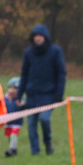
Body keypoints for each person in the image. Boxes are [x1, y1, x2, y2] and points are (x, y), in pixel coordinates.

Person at [17, 23, 66, 155]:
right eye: (35, 36)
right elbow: (24, 74)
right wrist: (19, 95)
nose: (37, 38)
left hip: (48, 95)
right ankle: (35, 151)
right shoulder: (28, 53)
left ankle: (48, 142)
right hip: (32, 94)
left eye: (40, 36)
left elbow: (61, 74)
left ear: (45, 37)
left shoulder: (55, 51)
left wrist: (58, 95)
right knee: (31, 124)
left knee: (44, 119)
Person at [3, 77, 23, 157]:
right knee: (9, 135)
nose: (12, 90)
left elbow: (24, 106)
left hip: (16, 122)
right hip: (7, 122)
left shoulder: (20, 99)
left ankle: (12, 149)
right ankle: (13, 149)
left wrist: (22, 104)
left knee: (13, 135)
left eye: (14, 88)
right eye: (10, 87)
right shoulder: (5, 98)